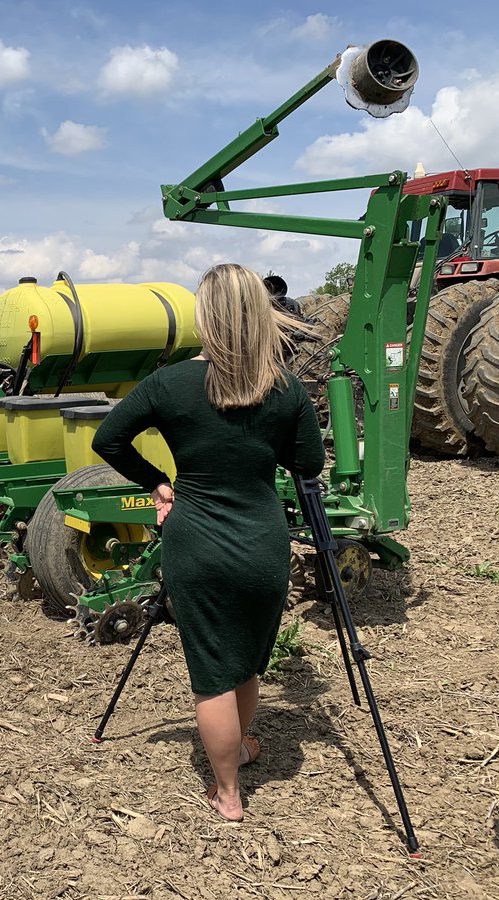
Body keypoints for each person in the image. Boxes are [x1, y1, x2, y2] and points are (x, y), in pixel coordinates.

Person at [91, 263, 325, 822]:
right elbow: (309, 465)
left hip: (195, 540)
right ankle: (241, 750)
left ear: (205, 316)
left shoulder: (169, 383)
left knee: (213, 670)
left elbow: (108, 439)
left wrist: (158, 482)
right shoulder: (286, 388)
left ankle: (227, 794)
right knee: (246, 662)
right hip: (263, 541)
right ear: (259, 316)